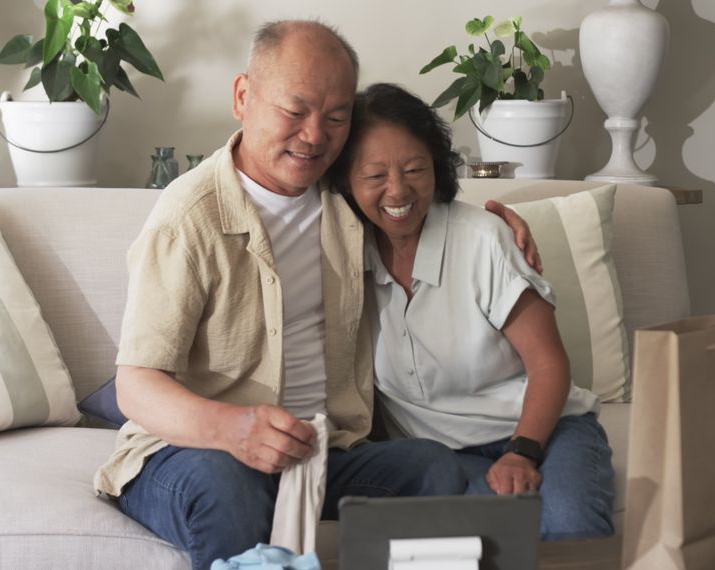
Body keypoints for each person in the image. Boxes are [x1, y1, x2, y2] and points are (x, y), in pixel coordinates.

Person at [93, 21, 538, 569]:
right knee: (230, 484)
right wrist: (236, 429)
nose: (314, 136)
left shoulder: (345, 193)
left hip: (325, 450)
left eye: (336, 117)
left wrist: (502, 224)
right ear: (242, 97)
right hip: (191, 453)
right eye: (294, 110)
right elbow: (136, 387)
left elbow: (417, 200)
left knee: (433, 469)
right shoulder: (189, 219)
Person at [327, 83, 616, 540]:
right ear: (345, 181)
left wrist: (522, 452)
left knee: (568, 527)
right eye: (375, 175)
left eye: (415, 168)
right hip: (441, 454)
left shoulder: (484, 238)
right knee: (488, 536)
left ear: (437, 168)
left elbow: (548, 363)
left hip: (544, 429)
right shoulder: (341, 254)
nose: (398, 190)